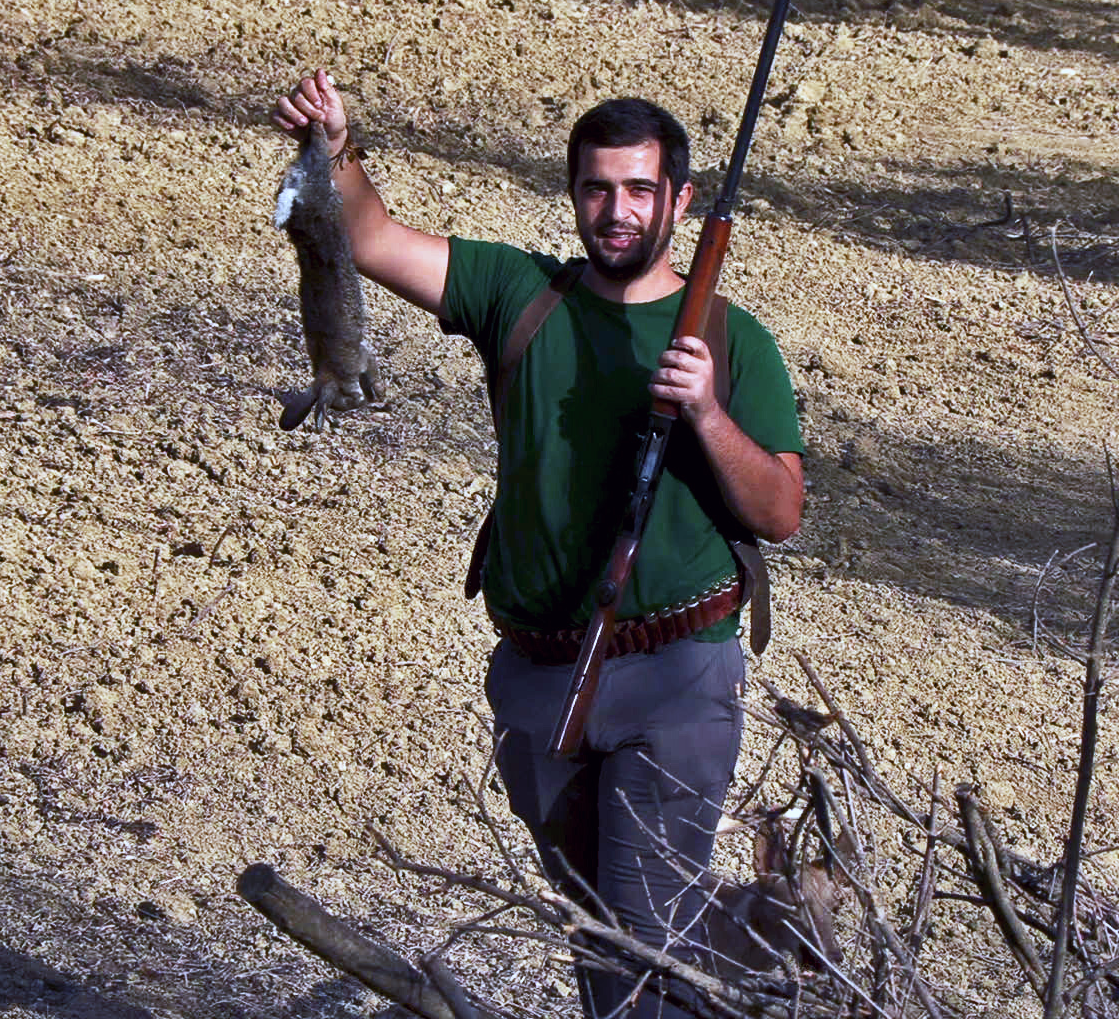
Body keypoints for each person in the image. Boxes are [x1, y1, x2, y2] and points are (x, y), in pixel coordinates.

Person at [273, 71, 805, 1018]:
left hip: (676, 675)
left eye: (641, 189)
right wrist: (337, 148)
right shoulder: (523, 294)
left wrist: (708, 412)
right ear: (574, 194)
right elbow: (368, 240)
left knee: (635, 938)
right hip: (541, 675)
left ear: (679, 201)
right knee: (602, 921)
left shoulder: (735, 338)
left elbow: (780, 512)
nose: (618, 210)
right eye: (598, 188)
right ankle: (755, 964)